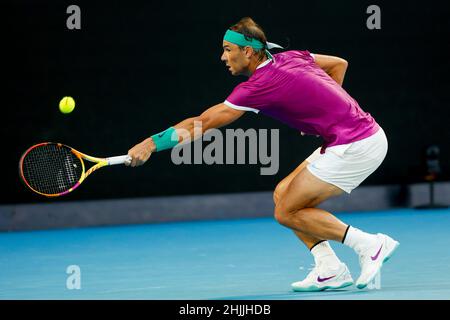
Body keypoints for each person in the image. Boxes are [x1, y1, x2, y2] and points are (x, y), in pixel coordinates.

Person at [126, 17, 399, 291]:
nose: (223, 57)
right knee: (282, 193)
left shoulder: (256, 87)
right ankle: (329, 268)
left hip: (358, 144)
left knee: (286, 212)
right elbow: (339, 64)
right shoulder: (292, 56)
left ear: (247, 51)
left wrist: (151, 143)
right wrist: (325, 113)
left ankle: (370, 245)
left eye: (227, 49)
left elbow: (204, 123)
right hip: (355, 136)